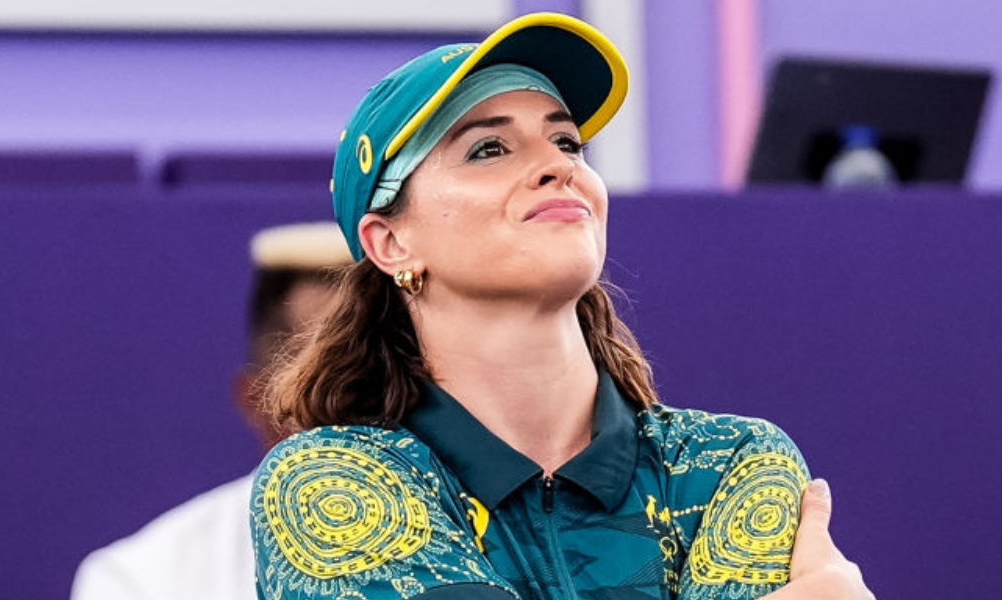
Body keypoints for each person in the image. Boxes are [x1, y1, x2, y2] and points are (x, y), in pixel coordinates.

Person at [253, 12, 873, 600]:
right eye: (489, 149)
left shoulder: (729, 460)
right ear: (390, 243)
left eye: (567, 142)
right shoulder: (328, 482)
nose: (557, 165)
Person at [72, 222, 353, 600]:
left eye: (398, 378)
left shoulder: (444, 549)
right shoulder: (143, 580)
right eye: (329, 388)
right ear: (256, 398)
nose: (368, 414)